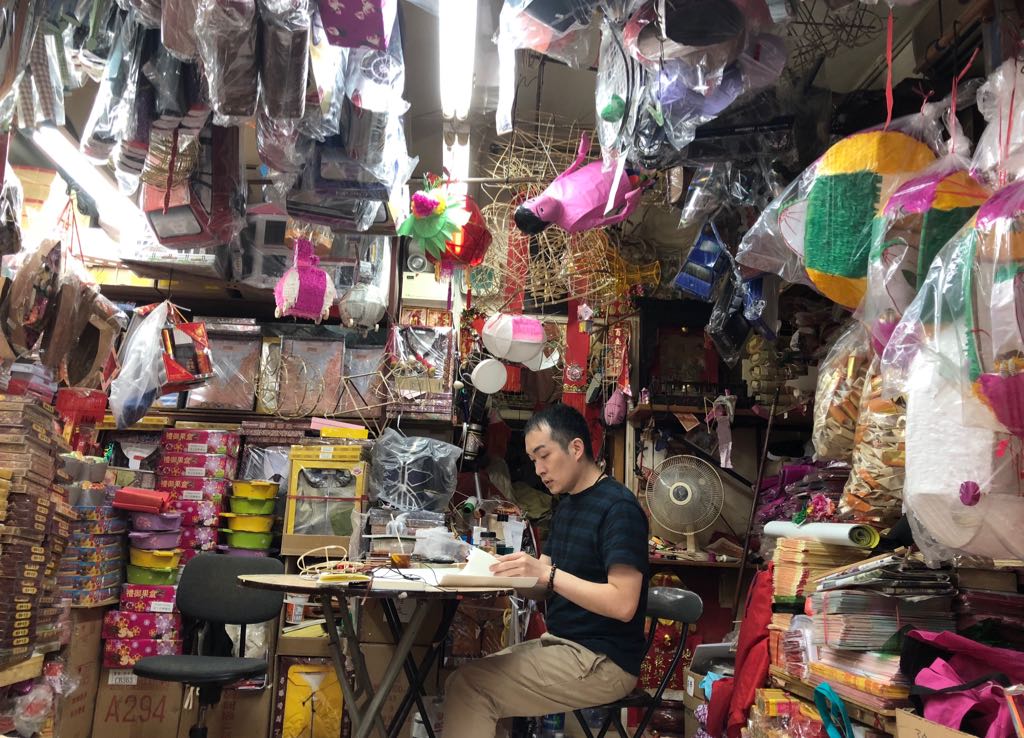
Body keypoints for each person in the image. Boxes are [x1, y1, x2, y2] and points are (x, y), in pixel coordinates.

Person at [444, 404, 650, 737]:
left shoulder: (619, 508)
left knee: (471, 688)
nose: (538, 469)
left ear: (576, 448)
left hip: (603, 660)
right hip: (562, 645)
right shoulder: (567, 505)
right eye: (533, 460)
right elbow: (544, 584)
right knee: (460, 680)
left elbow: (623, 604)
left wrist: (547, 575)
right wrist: (506, 573)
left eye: (544, 456)